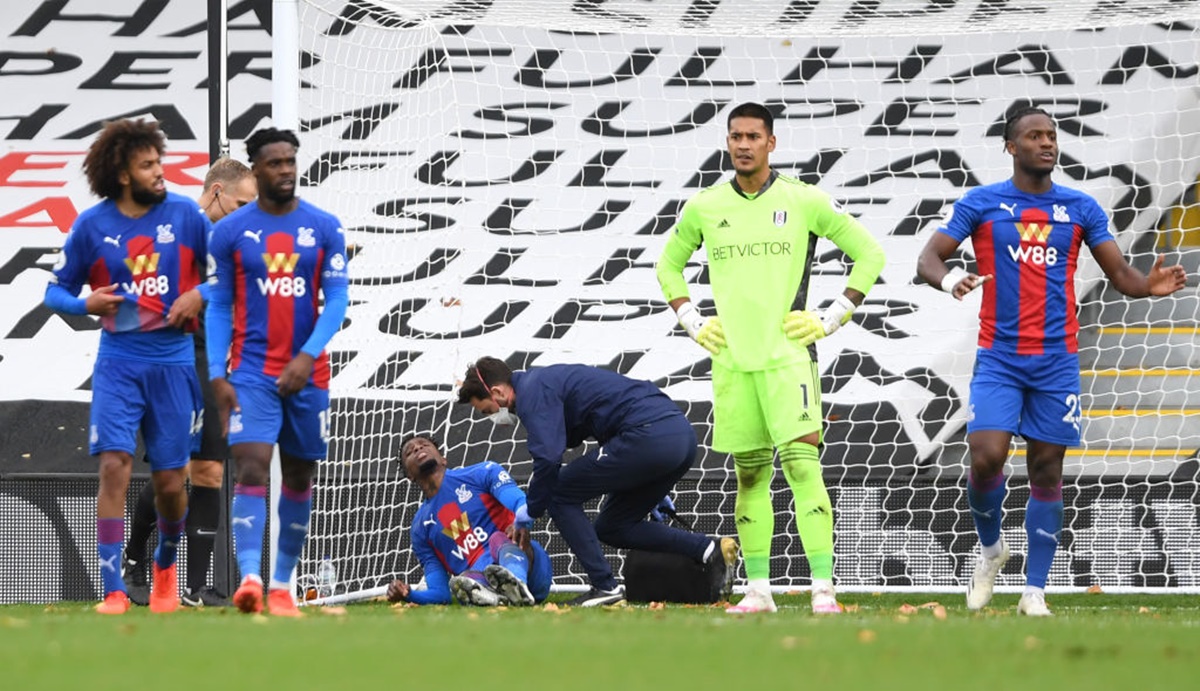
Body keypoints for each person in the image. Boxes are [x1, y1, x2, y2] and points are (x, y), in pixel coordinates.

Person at [917, 106, 1188, 616]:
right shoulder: (983, 203)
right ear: (1010, 147)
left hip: (1056, 362)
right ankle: (992, 549)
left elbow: (1121, 276)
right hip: (998, 356)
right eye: (1034, 136)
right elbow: (928, 259)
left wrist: (1148, 287)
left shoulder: (1080, 208)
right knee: (986, 457)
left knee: (1046, 469)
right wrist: (952, 279)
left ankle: (1034, 590)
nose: (1047, 143)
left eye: (1052, 136)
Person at [655, 102, 886, 615]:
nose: (742, 144)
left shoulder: (803, 201)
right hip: (733, 361)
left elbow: (870, 253)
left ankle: (822, 588)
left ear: (771, 143)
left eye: (753, 136)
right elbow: (668, 267)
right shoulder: (705, 207)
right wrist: (693, 321)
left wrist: (832, 317)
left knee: (803, 466)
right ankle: (758, 589)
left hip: (788, 358)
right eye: (735, 136)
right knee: (751, 474)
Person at [44, 118, 211, 615]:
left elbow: (227, 277)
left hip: (174, 363)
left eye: (159, 162)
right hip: (119, 363)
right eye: (147, 165)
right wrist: (85, 303)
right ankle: (113, 587)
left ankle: (164, 563)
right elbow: (55, 291)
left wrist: (196, 294)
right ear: (122, 174)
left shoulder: (186, 215)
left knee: (169, 481)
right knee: (114, 466)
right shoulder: (91, 227)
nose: (160, 172)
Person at [205, 128, 350, 617]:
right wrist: (216, 371)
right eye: (275, 163)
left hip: (310, 373)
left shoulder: (324, 226)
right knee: (249, 466)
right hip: (250, 372)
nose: (285, 170)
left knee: (299, 474)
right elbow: (221, 303)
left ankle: (282, 584)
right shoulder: (229, 232)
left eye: (290, 161)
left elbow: (338, 303)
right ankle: (250, 577)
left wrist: (307, 355)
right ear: (256, 168)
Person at [458, 357, 737, 607]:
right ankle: (706, 550)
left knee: (557, 493)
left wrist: (530, 510)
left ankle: (604, 586)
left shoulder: (532, 392)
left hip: (647, 435)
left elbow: (548, 459)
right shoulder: (545, 379)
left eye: (486, 411)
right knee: (613, 526)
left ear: (497, 392)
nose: (492, 417)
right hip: (680, 437)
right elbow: (605, 416)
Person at [122, 157, 257, 607]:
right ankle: (135, 556)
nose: (246, 212)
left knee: (211, 472)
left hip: (217, 363)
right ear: (216, 191)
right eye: (241, 203)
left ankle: (198, 587)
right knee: (173, 471)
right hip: (171, 360)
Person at [385, 435, 552, 607]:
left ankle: (517, 583)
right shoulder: (420, 529)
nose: (417, 449)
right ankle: (499, 597)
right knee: (462, 580)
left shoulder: (482, 473)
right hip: (482, 578)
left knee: (497, 539)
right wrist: (408, 594)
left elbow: (520, 502)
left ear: (443, 459)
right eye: (409, 452)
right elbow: (441, 593)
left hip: (530, 567)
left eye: (423, 445)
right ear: (410, 476)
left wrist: (521, 522)